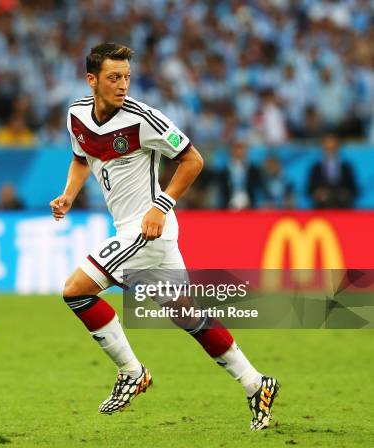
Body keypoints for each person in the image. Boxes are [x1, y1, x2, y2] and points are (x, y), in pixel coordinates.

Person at [50, 43, 279, 430]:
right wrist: (70, 194)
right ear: (92, 80)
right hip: (133, 229)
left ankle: (131, 372)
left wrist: (161, 206)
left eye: (126, 77)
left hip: (147, 228)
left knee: (76, 290)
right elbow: (80, 156)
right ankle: (256, 383)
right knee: (188, 315)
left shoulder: (143, 119)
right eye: (113, 77)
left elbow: (193, 160)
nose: (123, 85)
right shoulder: (76, 115)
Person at [307, 134, 358, 209]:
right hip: (321, 207)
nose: (330, 148)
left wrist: (345, 193)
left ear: (338, 146)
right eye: (327, 146)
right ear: (322, 147)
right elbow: (309, 189)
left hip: (342, 205)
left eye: (333, 146)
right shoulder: (316, 168)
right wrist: (318, 193)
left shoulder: (346, 167)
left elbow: (354, 189)